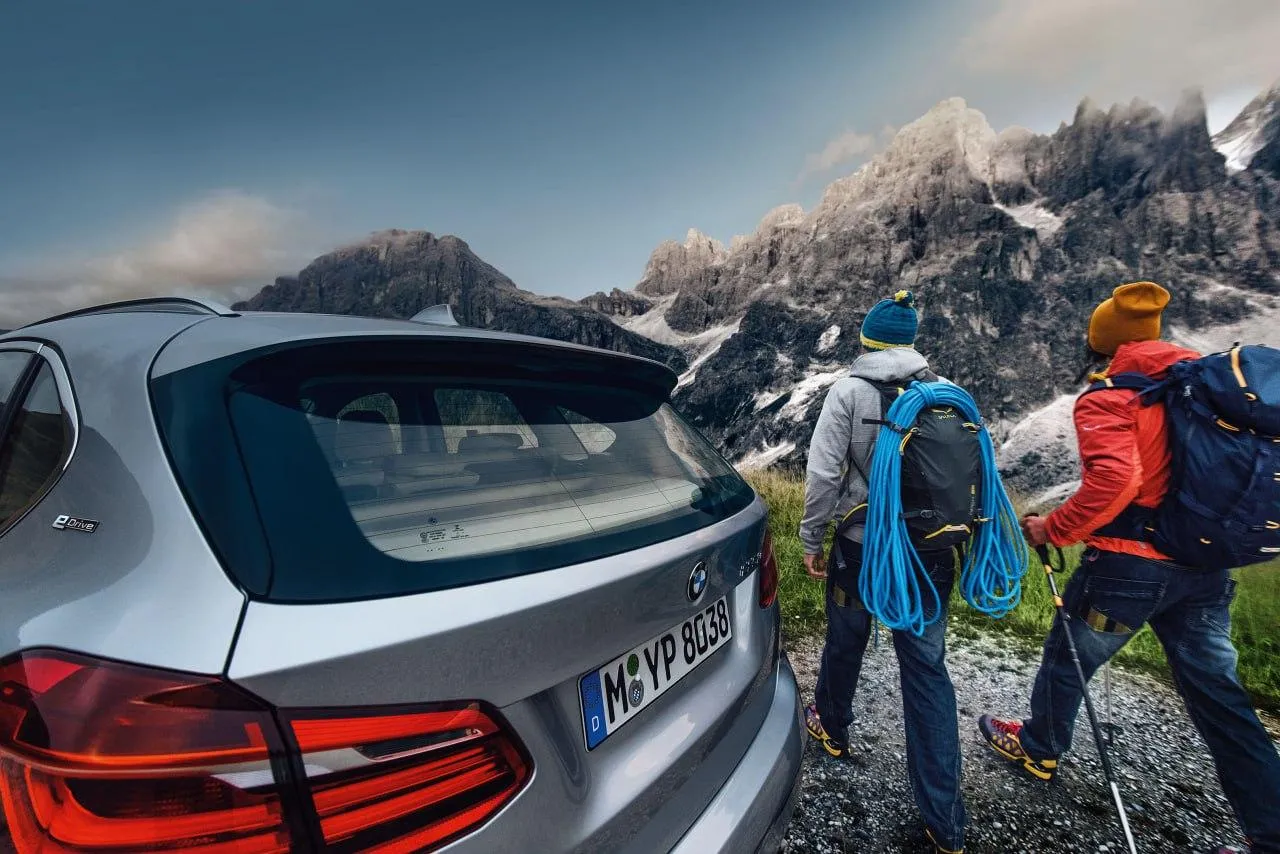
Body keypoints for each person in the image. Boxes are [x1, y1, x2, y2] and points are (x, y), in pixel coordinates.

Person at [978, 281, 1280, 854]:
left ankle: (1040, 748)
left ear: (1104, 342)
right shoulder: (1205, 385)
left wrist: (1053, 529)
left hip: (1128, 570)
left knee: (1068, 659)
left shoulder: (1113, 396)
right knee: (1220, 697)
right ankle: (1270, 832)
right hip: (1204, 568)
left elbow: (1117, 482)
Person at [799, 290, 967, 854]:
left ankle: (832, 727)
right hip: (931, 555)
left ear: (866, 341)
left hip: (862, 550)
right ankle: (945, 822)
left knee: (845, 642)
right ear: (912, 342)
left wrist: (811, 539)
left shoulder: (848, 392)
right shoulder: (948, 396)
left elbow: (824, 475)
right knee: (926, 671)